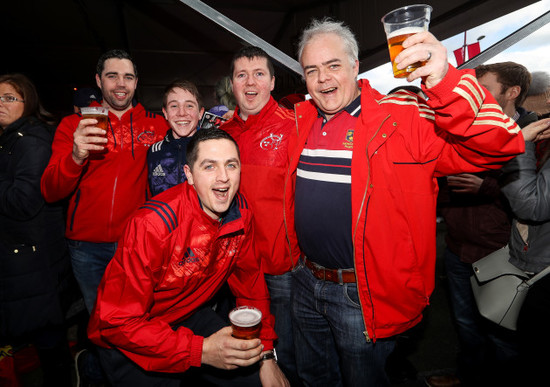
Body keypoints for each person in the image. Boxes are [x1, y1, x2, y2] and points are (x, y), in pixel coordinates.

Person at [283, 18, 533, 386]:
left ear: (355, 66)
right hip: (305, 282)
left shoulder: (403, 118)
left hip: (361, 295)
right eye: (312, 70)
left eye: (333, 65)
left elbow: (501, 144)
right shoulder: (301, 122)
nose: (323, 79)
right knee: (314, 378)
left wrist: (445, 80)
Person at [87, 128, 289, 387]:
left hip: (189, 313)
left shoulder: (241, 214)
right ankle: (92, 369)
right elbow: (118, 321)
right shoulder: (152, 226)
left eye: (231, 165)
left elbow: (251, 288)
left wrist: (267, 355)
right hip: (132, 334)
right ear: (189, 175)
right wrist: (201, 350)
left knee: (254, 381)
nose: (223, 178)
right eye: (209, 167)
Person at [40, 49, 168, 384]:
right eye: (112, 76)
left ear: (137, 83)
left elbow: (187, 143)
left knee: (136, 319)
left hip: (133, 245)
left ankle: (121, 375)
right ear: (99, 81)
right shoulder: (74, 125)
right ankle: (105, 374)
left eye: (128, 77)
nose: (120, 84)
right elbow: (50, 190)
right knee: (101, 322)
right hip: (86, 247)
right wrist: (76, 156)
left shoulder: (156, 126)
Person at [430, 61, 538, 387]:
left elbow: (535, 201)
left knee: (503, 332)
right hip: (458, 246)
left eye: (485, 89)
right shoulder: (461, 128)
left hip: (502, 252)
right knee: (466, 326)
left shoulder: (535, 134)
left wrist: (486, 187)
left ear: (512, 92)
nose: (476, 96)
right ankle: (468, 377)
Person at [221, 45, 299, 385]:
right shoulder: (224, 133)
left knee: (290, 354)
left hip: (282, 268)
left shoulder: (293, 126)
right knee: (250, 356)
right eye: (242, 75)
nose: (250, 82)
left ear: (271, 82)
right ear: (232, 84)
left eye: (258, 74)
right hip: (238, 266)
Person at [0, 73, 73, 386]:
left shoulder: (30, 141)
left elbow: (23, 202)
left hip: (32, 256)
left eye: (9, 98)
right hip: (23, 256)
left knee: (46, 333)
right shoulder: (10, 139)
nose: (1, 104)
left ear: (27, 102)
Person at [148, 79, 204, 197]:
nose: (182, 113)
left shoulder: (212, 148)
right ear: (165, 113)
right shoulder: (154, 152)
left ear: (200, 113)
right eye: (174, 106)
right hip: (163, 215)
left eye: (189, 105)